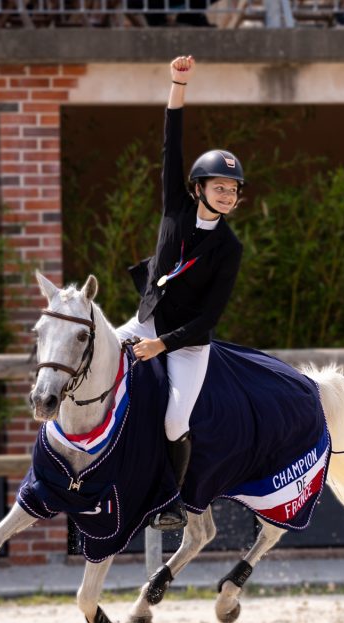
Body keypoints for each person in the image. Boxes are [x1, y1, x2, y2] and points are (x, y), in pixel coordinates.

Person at [120, 55, 245, 532]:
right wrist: (178, 83)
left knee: (175, 421)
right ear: (198, 188)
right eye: (220, 187)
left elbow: (208, 318)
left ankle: (170, 501)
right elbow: (172, 137)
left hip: (188, 342)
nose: (228, 195)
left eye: (233, 190)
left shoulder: (229, 249)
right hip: (145, 320)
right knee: (94, 357)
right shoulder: (175, 203)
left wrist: (162, 346)